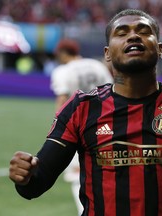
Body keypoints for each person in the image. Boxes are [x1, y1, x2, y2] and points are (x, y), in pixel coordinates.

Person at [9, 9, 162, 216]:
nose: (134, 36)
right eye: (122, 33)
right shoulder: (81, 107)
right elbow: (37, 183)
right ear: (107, 53)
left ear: (159, 49)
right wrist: (26, 175)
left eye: (144, 31)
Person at [50, 39, 113, 215]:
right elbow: (112, 90)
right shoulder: (96, 65)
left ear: (63, 53)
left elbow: (62, 101)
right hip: (105, 125)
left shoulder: (63, 71)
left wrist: (57, 129)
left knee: (78, 176)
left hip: (78, 128)